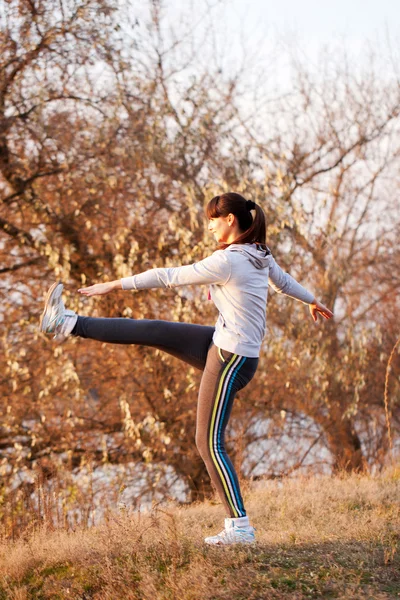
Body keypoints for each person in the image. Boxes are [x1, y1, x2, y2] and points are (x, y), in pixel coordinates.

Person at [39, 192, 333, 546]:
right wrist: (312, 300)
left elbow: (168, 276)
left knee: (207, 442)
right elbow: (283, 283)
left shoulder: (231, 261)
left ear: (230, 220)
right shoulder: (258, 254)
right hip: (220, 343)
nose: (208, 226)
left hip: (231, 359)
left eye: (213, 219)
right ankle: (66, 324)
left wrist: (115, 285)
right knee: (155, 330)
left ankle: (240, 527)